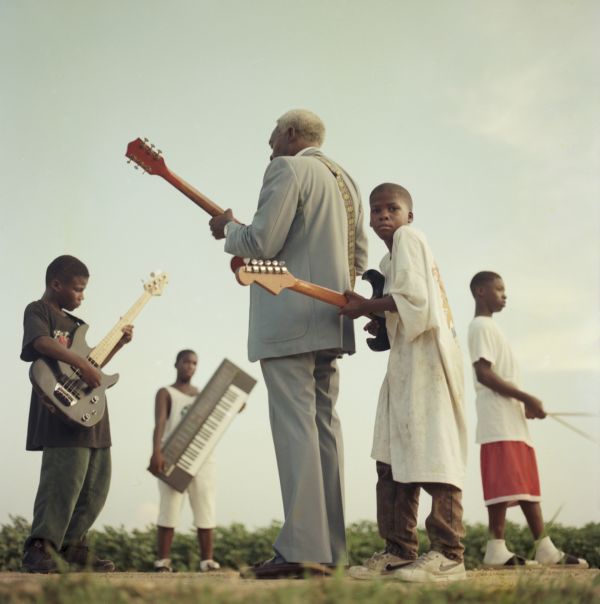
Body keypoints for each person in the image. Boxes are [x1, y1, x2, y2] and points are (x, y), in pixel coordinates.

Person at [209, 109, 368, 577]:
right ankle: (331, 552)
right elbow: (357, 257)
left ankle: (302, 549)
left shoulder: (287, 168)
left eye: (274, 132)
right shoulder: (345, 180)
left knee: (296, 431)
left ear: (293, 134)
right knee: (324, 431)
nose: (269, 141)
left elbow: (260, 242)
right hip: (331, 319)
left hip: (288, 322)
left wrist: (228, 231)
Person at [340, 183, 468, 583]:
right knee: (392, 455)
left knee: (433, 451)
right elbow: (404, 312)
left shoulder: (410, 238)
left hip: (428, 363)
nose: (382, 217)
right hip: (406, 362)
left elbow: (416, 300)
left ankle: (448, 555)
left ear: (409, 215)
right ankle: (398, 551)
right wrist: (380, 324)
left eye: (391, 209)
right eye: (376, 211)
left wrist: (365, 306)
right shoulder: (389, 256)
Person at [467, 271, 589, 568]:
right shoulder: (481, 326)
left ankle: (528, 548)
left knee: (521, 483)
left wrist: (523, 406)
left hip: (510, 418)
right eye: (499, 289)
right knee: (509, 482)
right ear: (480, 291)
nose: (504, 294)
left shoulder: (490, 328)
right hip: (498, 420)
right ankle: (511, 548)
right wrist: (527, 398)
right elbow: (484, 373)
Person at [20, 255, 133, 573]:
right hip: (58, 407)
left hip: (91, 410)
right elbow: (40, 343)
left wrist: (118, 345)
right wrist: (82, 364)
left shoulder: (77, 326)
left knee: (97, 481)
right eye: (78, 289)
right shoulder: (38, 310)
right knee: (63, 479)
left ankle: (72, 547)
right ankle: (40, 547)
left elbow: (92, 366)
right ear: (56, 284)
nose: (82, 296)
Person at [148, 349, 220, 573]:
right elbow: (160, 422)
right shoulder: (166, 392)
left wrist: (237, 404)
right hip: (173, 455)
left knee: (205, 506)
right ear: (176, 364)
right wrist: (156, 452)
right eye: (186, 362)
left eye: (194, 363)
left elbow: (223, 410)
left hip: (202, 458)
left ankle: (207, 561)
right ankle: (163, 561)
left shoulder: (202, 395)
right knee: (169, 507)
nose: (190, 366)